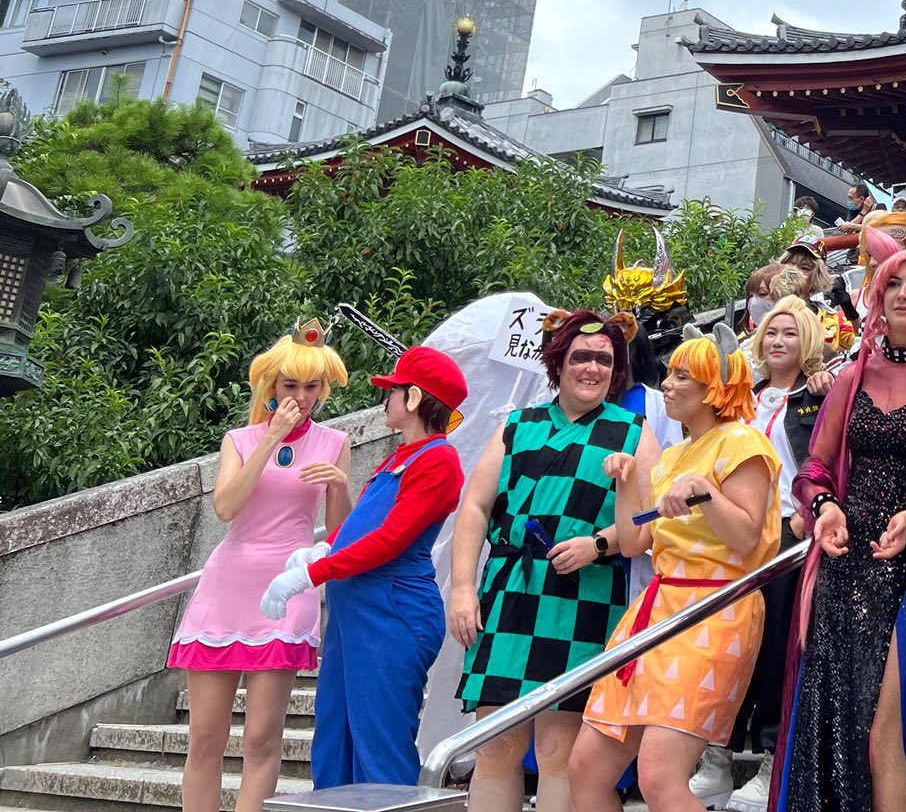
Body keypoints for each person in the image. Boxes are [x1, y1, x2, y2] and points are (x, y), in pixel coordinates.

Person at [775, 239, 906, 812]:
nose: (903, 295)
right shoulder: (851, 376)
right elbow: (814, 468)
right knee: (838, 727)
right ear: (877, 296)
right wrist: (824, 508)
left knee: (885, 734)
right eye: (893, 284)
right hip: (843, 564)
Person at [449, 308, 654, 812]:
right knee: (495, 746)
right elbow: (475, 507)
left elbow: (647, 523)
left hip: (585, 596)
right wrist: (462, 587)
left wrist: (597, 544)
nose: (593, 368)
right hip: (508, 591)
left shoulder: (633, 430)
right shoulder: (517, 425)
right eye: (581, 357)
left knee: (559, 750)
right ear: (558, 363)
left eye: (605, 360)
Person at [574, 333, 781, 812]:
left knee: (660, 777)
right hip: (657, 609)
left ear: (715, 387)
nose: (666, 384)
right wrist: (627, 481)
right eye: (669, 373)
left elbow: (747, 537)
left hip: (714, 608)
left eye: (682, 376)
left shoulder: (743, 441)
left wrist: (704, 490)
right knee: (586, 768)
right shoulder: (672, 456)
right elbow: (636, 541)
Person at [262, 346, 468, 789]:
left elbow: (392, 538)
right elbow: (362, 525)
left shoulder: (439, 459)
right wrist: (323, 549)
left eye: (392, 391)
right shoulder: (400, 456)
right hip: (356, 612)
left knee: (380, 749)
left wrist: (311, 574)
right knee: (335, 739)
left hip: (393, 612)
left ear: (414, 397)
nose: (386, 400)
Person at [173, 324, 352, 812]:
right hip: (227, 585)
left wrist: (341, 486)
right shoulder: (240, 439)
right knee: (205, 737)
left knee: (262, 738)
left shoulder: (334, 442)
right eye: (291, 385)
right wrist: (270, 439)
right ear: (272, 385)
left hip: (288, 589)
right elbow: (226, 507)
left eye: (312, 386)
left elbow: (339, 536)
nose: (301, 396)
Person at [693, 297, 833, 811]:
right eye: (771, 332)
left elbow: (827, 461)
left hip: (789, 539)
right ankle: (717, 755)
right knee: (729, 645)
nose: (777, 341)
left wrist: (805, 516)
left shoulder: (819, 395)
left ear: (808, 341)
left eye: (790, 333)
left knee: (776, 647)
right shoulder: (743, 396)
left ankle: (772, 758)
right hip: (736, 535)